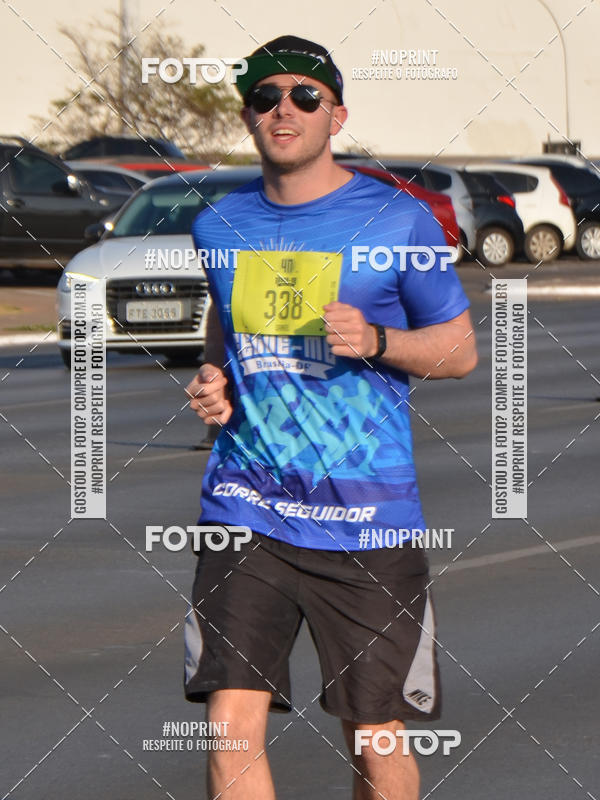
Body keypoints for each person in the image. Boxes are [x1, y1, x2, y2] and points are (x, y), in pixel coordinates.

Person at [183, 35, 477, 800]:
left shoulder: (397, 220)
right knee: (229, 725)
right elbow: (228, 330)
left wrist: (378, 340)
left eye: (304, 96)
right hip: (246, 506)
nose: (284, 108)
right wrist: (215, 380)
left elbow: (458, 350)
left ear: (336, 114)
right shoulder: (220, 224)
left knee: (376, 742)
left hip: (367, 523)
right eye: (265, 97)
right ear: (249, 116)